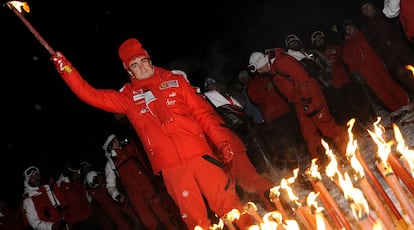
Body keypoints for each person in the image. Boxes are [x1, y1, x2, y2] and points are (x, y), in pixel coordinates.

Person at [50, 38, 252, 229]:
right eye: (135, 65)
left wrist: (222, 142)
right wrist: (66, 69)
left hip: (202, 156)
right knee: (196, 221)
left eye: (143, 61)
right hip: (172, 169)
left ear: (150, 60)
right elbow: (91, 94)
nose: (142, 67)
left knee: (231, 208)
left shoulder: (175, 81)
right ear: (128, 70)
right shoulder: (127, 97)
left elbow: (203, 115)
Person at [248, 50, 348, 166]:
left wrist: (307, 100)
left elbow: (303, 79)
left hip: (311, 96)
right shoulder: (273, 68)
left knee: (326, 125)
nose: (259, 72)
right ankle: (319, 162)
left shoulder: (282, 62)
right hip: (299, 102)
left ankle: (347, 150)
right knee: (308, 133)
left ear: (262, 62)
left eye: (258, 68)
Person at [103, 133, 184, 230]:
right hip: (135, 195)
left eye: (116, 140)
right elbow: (110, 185)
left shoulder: (128, 150)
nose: (117, 142)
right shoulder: (111, 164)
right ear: (110, 146)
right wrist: (116, 195)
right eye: (114, 141)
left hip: (147, 187)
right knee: (147, 218)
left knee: (162, 211)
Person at [341, 19, 411, 114]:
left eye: (350, 27)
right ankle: (396, 108)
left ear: (355, 27)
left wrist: (384, 60)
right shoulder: (347, 46)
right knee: (380, 91)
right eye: (347, 29)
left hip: (377, 65)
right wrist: (356, 73)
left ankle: (405, 103)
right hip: (365, 72)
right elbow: (349, 61)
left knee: (390, 84)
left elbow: (376, 47)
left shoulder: (364, 35)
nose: (349, 30)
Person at [310, 30, 376, 128]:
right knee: (345, 109)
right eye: (317, 40)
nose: (319, 41)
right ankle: (355, 128)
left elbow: (346, 59)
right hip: (334, 87)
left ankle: (370, 120)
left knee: (359, 102)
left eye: (321, 38)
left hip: (347, 80)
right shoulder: (315, 57)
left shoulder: (334, 48)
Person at [360, 0, 414, 96]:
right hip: (388, 55)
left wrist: (402, 39)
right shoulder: (365, 25)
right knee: (402, 75)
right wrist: (381, 54)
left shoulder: (385, 13)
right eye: (363, 9)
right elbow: (371, 43)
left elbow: (398, 24)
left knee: (412, 64)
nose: (366, 10)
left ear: (373, 6)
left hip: (400, 47)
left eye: (367, 6)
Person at [20, 166, 71, 230]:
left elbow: (64, 203)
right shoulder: (28, 200)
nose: (36, 178)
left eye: (37, 175)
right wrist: (52, 227)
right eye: (32, 177)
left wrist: (53, 186)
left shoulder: (47, 189)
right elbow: (34, 223)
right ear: (27, 181)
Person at [55, 162, 100, 229]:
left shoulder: (80, 183)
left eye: (79, 173)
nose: (79, 175)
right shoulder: (62, 186)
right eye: (77, 173)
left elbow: (87, 199)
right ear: (71, 173)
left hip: (89, 217)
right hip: (76, 222)